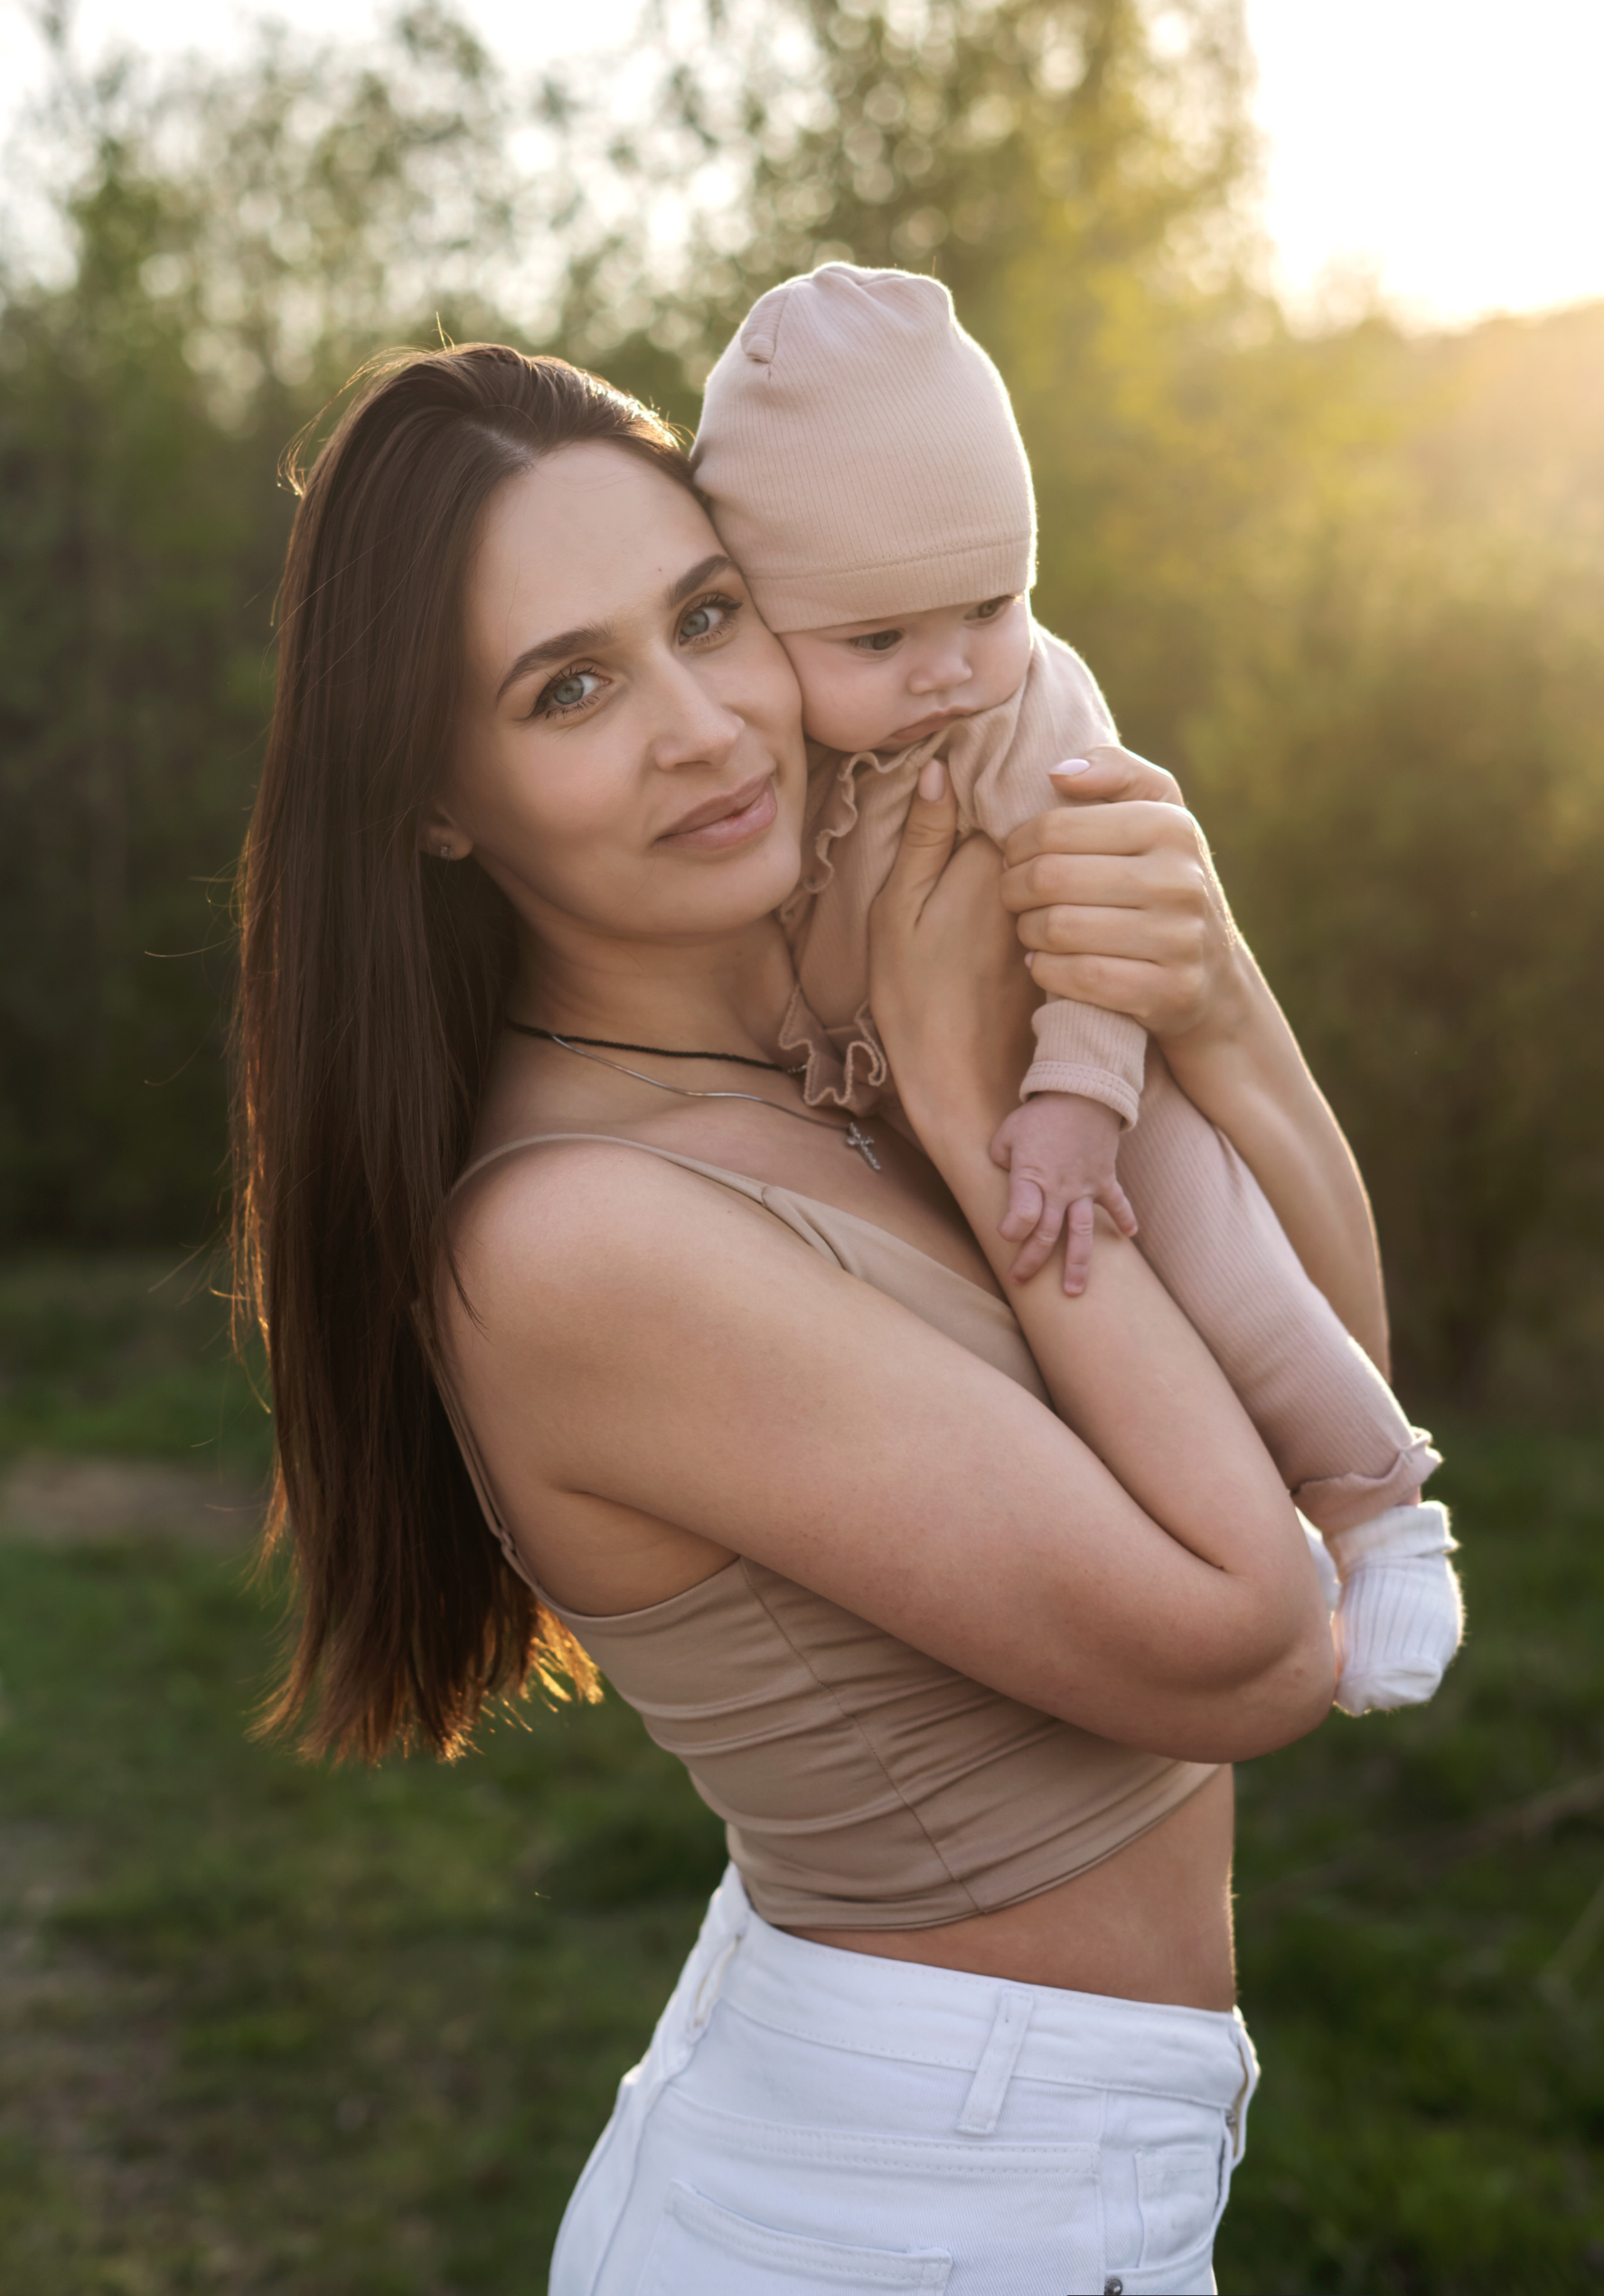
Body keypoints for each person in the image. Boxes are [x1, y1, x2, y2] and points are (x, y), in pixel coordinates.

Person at [236, 342, 1348, 2295]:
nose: (703, 727)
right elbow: (1258, 1645)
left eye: (709, 616)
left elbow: (1334, 1406)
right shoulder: (578, 1242)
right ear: (431, 799)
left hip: (1020, 2164)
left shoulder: (846, 995)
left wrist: (1216, 996)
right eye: (569, 688)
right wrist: (971, 1109)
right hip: (904, 2210)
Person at [693, 261, 1462, 1718]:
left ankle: (1378, 1508)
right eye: (878, 640)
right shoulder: (770, 756)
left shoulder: (1027, 700)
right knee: (1082, 1357)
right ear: (770, 623)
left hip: (1092, 1075)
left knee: (1227, 1271)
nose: (944, 671)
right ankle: (1242, 1530)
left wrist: (1073, 1098)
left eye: (987, 604)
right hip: (926, 1106)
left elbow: (1100, 933)